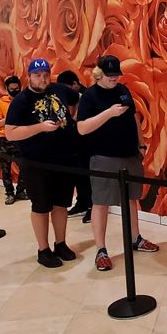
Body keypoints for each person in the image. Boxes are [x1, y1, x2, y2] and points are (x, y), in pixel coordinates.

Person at [76, 56, 160, 271]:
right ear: (99, 73)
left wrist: (141, 144)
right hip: (103, 156)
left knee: (132, 198)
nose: (114, 78)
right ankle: (101, 249)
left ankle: (135, 238)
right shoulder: (89, 96)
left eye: (116, 74)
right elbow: (82, 128)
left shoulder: (123, 90)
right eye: (110, 75)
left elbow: (133, 117)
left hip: (129, 153)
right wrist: (108, 113)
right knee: (101, 202)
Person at [4, 58, 81, 268]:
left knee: (61, 203)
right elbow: (10, 133)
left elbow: (77, 99)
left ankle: (61, 243)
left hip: (64, 158)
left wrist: (72, 118)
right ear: (28, 76)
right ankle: (43, 249)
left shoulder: (60, 90)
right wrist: (40, 128)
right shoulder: (21, 101)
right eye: (38, 75)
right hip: (36, 162)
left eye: (46, 74)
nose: (42, 78)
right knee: (41, 206)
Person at [58, 69, 92, 222]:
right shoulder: (64, 98)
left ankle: (91, 206)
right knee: (78, 175)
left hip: (87, 143)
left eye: (67, 88)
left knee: (88, 175)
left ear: (75, 84)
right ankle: (82, 202)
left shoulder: (87, 96)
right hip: (72, 143)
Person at [0, 75, 28, 205]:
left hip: (21, 137)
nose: (14, 91)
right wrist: (10, 117)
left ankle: (20, 191)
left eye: (16, 88)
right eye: (11, 89)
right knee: (5, 168)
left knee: (24, 166)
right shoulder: (1, 103)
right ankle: (9, 193)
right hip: (4, 138)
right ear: (6, 89)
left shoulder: (24, 100)